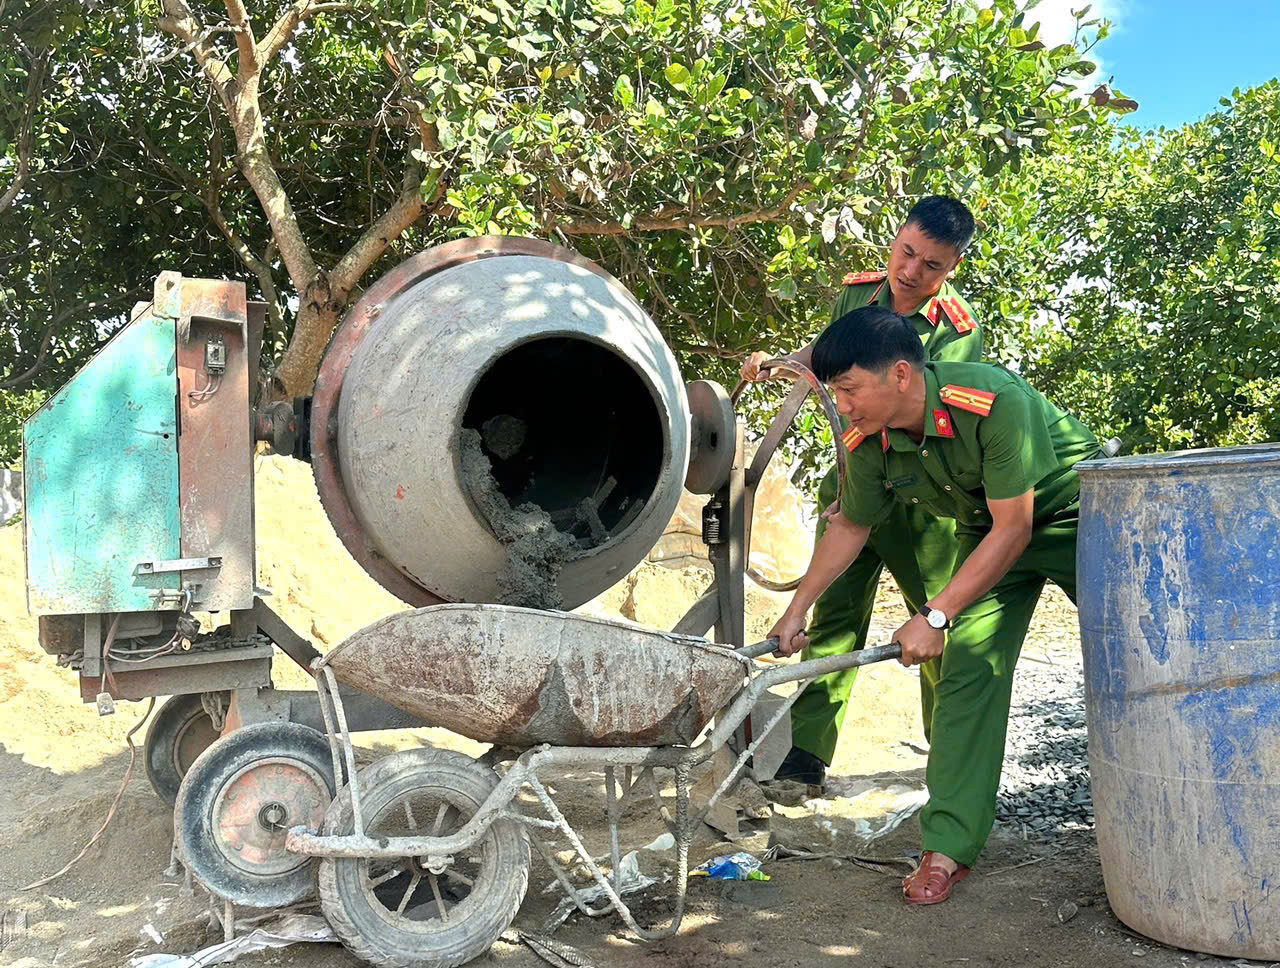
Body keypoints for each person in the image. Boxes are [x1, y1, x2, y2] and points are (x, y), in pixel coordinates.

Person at [768, 305, 1099, 905]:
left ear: (899, 374)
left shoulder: (993, 400)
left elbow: (1016, 526)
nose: (841, 406)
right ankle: (947, 846)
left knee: (1130, 649)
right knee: (969, 674)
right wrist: (797, 610)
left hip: (1077, 516)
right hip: (987, 531)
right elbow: (852, 525)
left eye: (848, 389)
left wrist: (936, 614)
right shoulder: (869, 438)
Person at [741, 196, 982, 788]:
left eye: (931, 265)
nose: (911, 272)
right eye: (907, 252)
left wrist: (863, 494)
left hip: (921, 500)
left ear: (950, 269)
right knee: (834, 616)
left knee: (933, 624)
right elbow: (829, 358)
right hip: (853, 479)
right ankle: (808, 754)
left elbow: (923, 415)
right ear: (897, 237)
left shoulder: (956, 330)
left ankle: (946, 757)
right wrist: (779, 364)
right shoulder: (859, 294)